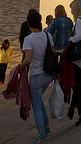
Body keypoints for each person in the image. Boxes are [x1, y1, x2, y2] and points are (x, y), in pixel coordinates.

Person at [20, 9, 54, 144]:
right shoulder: (47, 36)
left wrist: (20, 66)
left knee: (37, 105)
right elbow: (52, 53)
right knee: (38, 100)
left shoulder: (28, 39)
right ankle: (46, 128)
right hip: (48, 74)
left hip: (36, 75)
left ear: (29, 24)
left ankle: (41, 136)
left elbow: (28, 59)